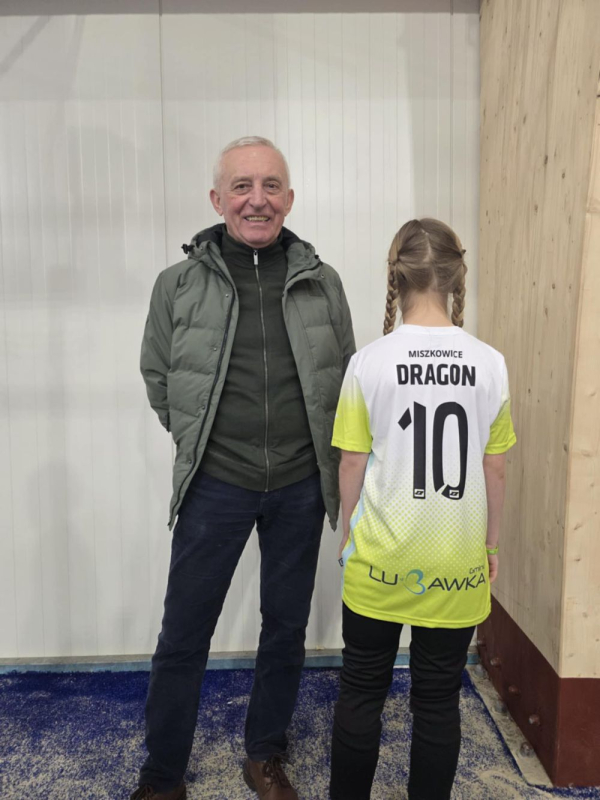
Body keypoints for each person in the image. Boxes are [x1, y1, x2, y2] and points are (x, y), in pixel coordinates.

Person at [133, 136, 355, 800]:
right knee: (184, 633)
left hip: (298, 486)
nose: (257, 200)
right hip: (215, 485)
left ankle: (265, 755)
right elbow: (158, 375)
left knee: (285, 629)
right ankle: (163, 773)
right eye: (242, 186)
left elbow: (345, 377)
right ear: (217, 199)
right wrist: (198, 441)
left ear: (289, 198)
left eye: (270, 186)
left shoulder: (323, 282)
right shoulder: (177, 285)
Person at [328, 218, 516, 800]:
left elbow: (352, 463)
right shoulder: (491, 363)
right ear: (457, 277)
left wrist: (347, 532)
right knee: (437, 701)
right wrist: (490, 546)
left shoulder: (368, 362)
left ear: (396, 276)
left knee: (362, 691)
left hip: (379, 559)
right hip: (457, 562)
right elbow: (495, 469)